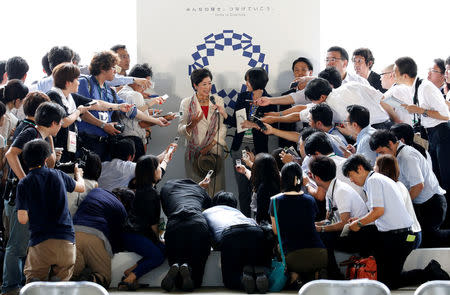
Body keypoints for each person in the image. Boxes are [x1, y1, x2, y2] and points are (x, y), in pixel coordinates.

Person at [3, 102, 65, 295]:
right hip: (19, 198)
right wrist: (26, 182)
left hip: (25, 199)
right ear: (54, 122)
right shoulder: (31, 133)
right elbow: (11, 154)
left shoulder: (40, 137)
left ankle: (19, 284)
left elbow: (51, 163)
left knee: (23, 244)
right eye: (60, 122)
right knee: (17, 245)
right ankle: (10, 287)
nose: (62, 126)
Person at [77, 51, 169, 161]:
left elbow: (131, 110)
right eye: (113, 68)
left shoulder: (109, 91)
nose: (115, 71)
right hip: (87, 142)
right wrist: (103, 125)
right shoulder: (84, 83)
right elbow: (81, 111)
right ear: (102, 68)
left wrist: (156, 120)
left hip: (106, 144)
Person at [16, 139, 84, 283]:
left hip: (40, 244)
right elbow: (81, 187)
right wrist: (79, 175)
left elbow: (22, 219)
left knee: (34, 287)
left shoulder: (24, 183)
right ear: (46, 158)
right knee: (60, 287)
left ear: (25, 160)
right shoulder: (58, 175)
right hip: (66, 241)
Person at [343, 155, 414, 289]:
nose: (351, 180)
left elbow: (378, 211)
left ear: (360, 168)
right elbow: (379, 212)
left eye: (351, 175)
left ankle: (431, 272)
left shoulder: (373, 181)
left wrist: (358, 224)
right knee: (385, 279)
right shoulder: (377, 179)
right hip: (397, 235)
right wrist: (359, 220)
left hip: (398, 237)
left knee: (389, 282)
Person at [369, 130, 449, 247]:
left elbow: (418, 186)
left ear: (390, 143)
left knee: (431, 237)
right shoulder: (398, 154)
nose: (381, 156)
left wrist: (402, 204)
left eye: (381, 152)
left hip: (432, 203)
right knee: (422, 237)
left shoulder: (407, 156)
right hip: (422, 203)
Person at [119, 148, 176, 291]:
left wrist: (167, 158)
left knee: (163, 250)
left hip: (131, 233)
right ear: (151, 172)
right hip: (134, 235)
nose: (159, 171)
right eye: (157, 167)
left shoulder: (139, 186)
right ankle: (129, 279)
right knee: (158, 255)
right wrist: (159, 239)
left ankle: (130, 271)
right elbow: (154, 224)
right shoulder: (151, 194)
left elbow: (161, 171)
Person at [394, 57, 450, 198]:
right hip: (430, 133)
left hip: (441, 133)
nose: (392, 76)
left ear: (405, 76)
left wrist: (420, 110)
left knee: (445, 177)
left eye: (395, 72)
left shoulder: (425, 87)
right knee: (437, 175)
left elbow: (445, 116)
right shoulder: (415, 88)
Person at [270, 162, 327, 288]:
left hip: (293, 257)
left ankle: (294, 274)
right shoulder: (310, 199)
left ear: (282, 178)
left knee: (277, 246)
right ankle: (314, 273)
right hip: (320, 254)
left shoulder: (275, 201)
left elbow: (275, 231)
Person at [309, 156, 368, 278]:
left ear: (317, 178)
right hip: (350, 230)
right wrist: (314, 225)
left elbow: (343, 223)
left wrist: (321, 229)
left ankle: (333, 273)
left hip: (361, 234)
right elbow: (328, 220)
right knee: (317, 233)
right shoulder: (331, 189)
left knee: (323, 235)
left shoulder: (340, 191)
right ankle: (327, 271)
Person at [203, 192, 271, 293]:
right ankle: (259, 273)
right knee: (252, 256)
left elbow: (206, 232)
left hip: (230, 234)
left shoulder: (207, 212)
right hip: (255, 232)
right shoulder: (238, 212)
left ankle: (241, 280)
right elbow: (255, 224)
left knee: (229, 280)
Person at [178, 68, 227, 197]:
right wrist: (192, 123)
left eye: (210, 83)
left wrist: (209, 147)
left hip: (214, 152)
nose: (208, 87)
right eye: (204, 84)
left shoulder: (217, 100)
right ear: (195, 85)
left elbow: (222, 127)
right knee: (197, 190)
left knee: (216, 190)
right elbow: (180, 128)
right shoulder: (187, 103)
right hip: (195, 153)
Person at [160, 178, 212, 292]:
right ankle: (189, 271)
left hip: (175, 222)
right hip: (197, 222)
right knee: (199, 257)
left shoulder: (166, 188)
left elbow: (167, 210)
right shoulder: (198, 189)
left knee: (174, 254)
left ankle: (177, 266)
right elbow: (211, 205)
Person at [71, 187, 129, 288]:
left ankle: (64, 280)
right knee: (104, 277)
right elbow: (118, 237)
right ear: (125, 203)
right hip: (94, 235)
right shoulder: (121, 209)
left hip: (73, 233)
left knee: (72, 271)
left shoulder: (96, 190)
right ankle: (88, 280)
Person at [117, 63, 172, 160]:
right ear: (138, 80)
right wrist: (164, 118)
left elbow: (133, 113)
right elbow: (142, 123)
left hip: (122, 141)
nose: (146, 87)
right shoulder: (135, 95)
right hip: (135, 141)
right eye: (146, 83)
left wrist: (151, 111)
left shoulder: (121, 92)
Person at [374, 154, 422, 249]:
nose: (373, 168)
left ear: (382, 169)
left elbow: (381, 213)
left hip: (411, 236)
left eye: (375, 165)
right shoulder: (398, 185)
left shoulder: (394, 188)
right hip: (414, 233)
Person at [237, 153, 280, 223]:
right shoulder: (278, 179)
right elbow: (253, 178)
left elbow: (261, 215)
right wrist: (245, 170)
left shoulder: (263, 188)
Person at [0, 80, 29, 144]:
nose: (23, 102)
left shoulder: (6, 112)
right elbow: (2, 145)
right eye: (23, 99)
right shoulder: (6, 117)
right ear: (18, 100)